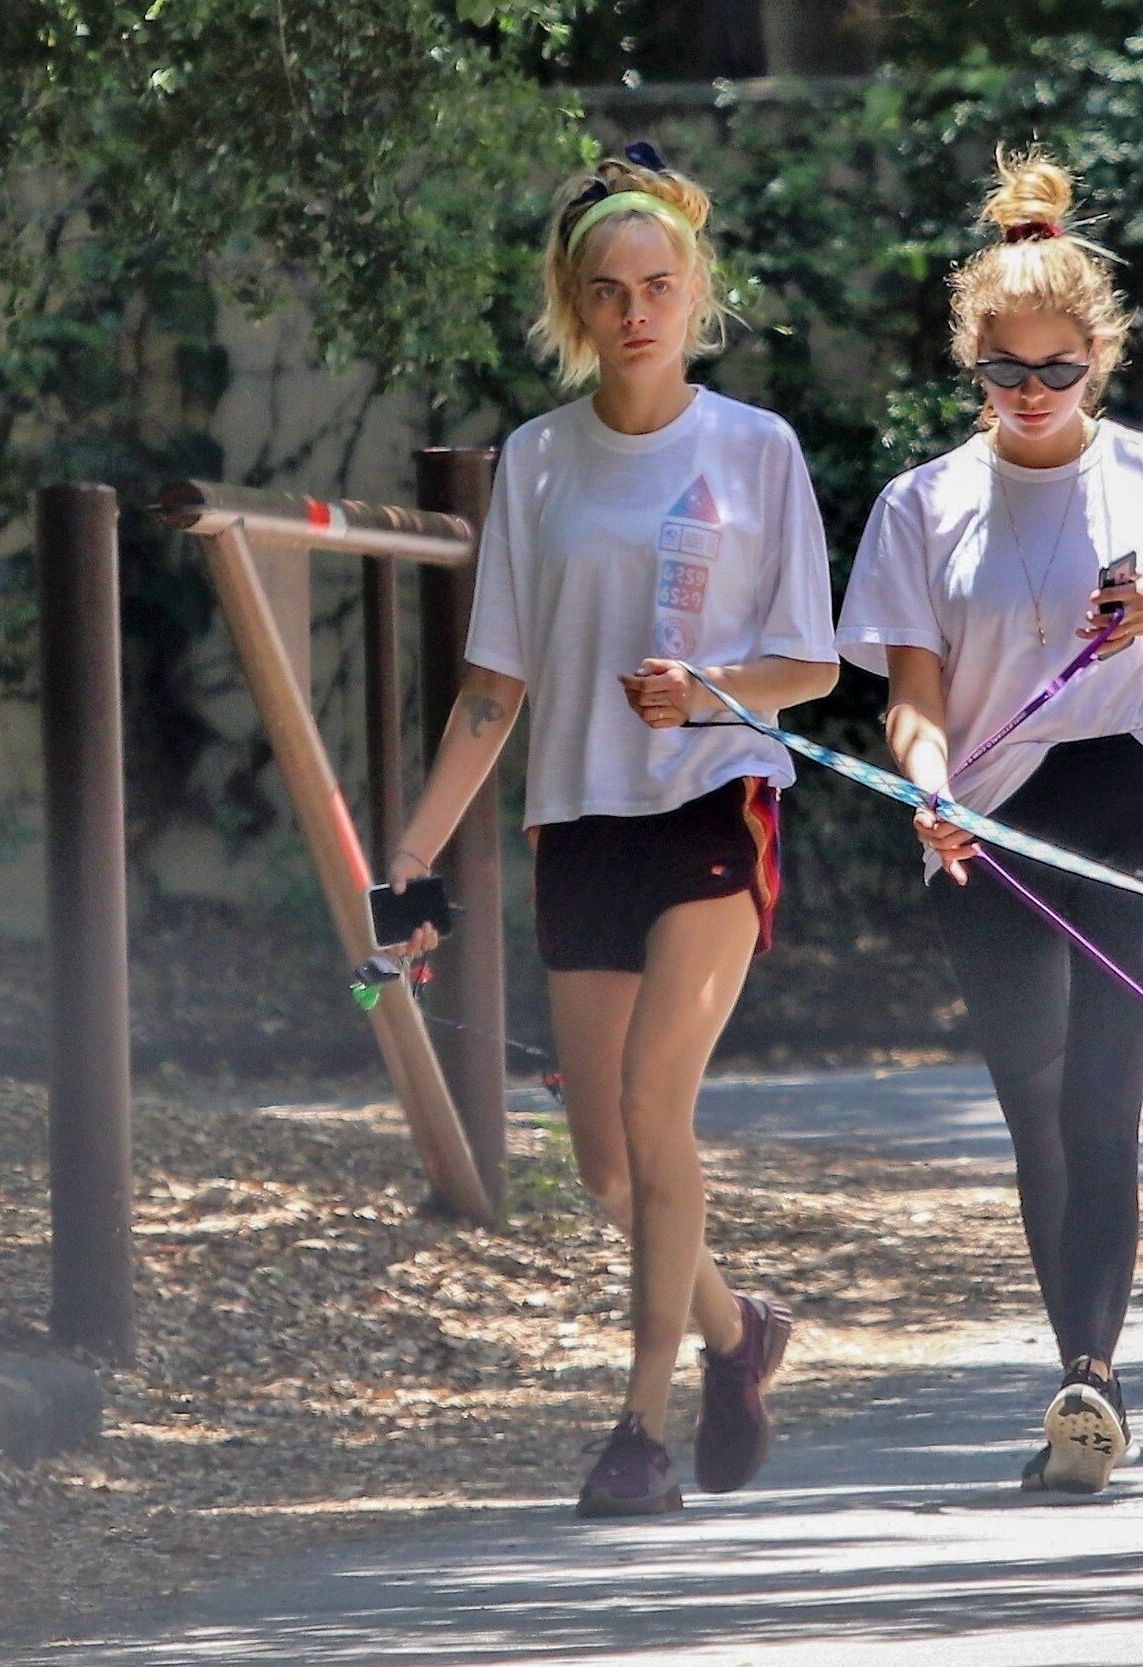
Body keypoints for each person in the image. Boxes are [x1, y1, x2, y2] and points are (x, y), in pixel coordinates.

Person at [386, 142, 839, 1518]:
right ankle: (738, 1331)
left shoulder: (757, 449)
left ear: (696, 292)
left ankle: (640, 1430)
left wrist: (712, 689)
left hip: (714, 799)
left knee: (654, 1107)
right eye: (608, 290)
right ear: (574, 306)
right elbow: (494, 687)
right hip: (578, 818)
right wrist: (410, 857)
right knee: (600, 1159)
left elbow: (812, 666)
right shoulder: (535, 462)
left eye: (658, 285)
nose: (636, 311)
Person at [835, 148, 1143, 1495]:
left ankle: (1090, 1379)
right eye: (1004, 369)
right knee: (1034, 1110)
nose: (1029, 393)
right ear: (973, 361)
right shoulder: (921, 504)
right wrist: (928, 790)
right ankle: (1081, 1370)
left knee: (1100, 1097)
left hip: (1134, 798)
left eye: (1056, 369)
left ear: (1100, 359)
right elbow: (911, 698)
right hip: (987, 821)